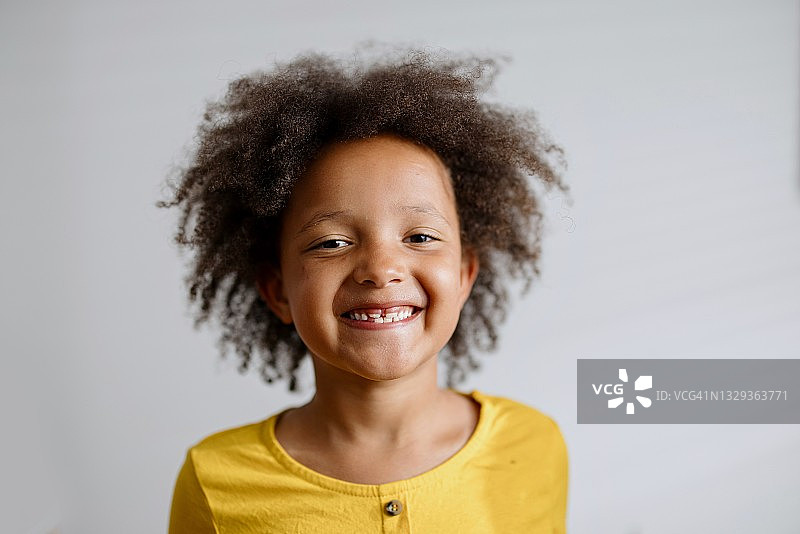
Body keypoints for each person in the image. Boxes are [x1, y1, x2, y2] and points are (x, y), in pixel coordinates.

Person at [158, 45, 569, 533]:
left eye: (419, 237)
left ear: (463, 275)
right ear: (278, 291)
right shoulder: (215, 480)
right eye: (331, 242)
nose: (380, 269)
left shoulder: (532, 444)